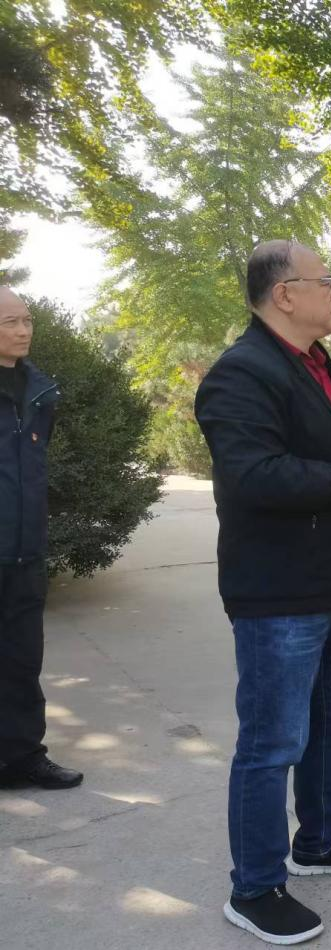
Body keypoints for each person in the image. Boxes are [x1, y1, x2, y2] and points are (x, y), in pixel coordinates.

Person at [196, 240, 331, 945]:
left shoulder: (317, 363)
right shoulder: (241, 373)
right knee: (272, 738)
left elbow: (326, 454)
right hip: (280, 591)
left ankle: (319, 842)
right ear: (284, 294)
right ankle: (254, 887)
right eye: (327, 282)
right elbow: (252, 475)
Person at [0, 287, 82, 792]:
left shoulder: (39, 391)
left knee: (23, 660)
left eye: (27, 320)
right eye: (10, 322)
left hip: (26, 552)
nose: (23, 330)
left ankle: (22, 758)